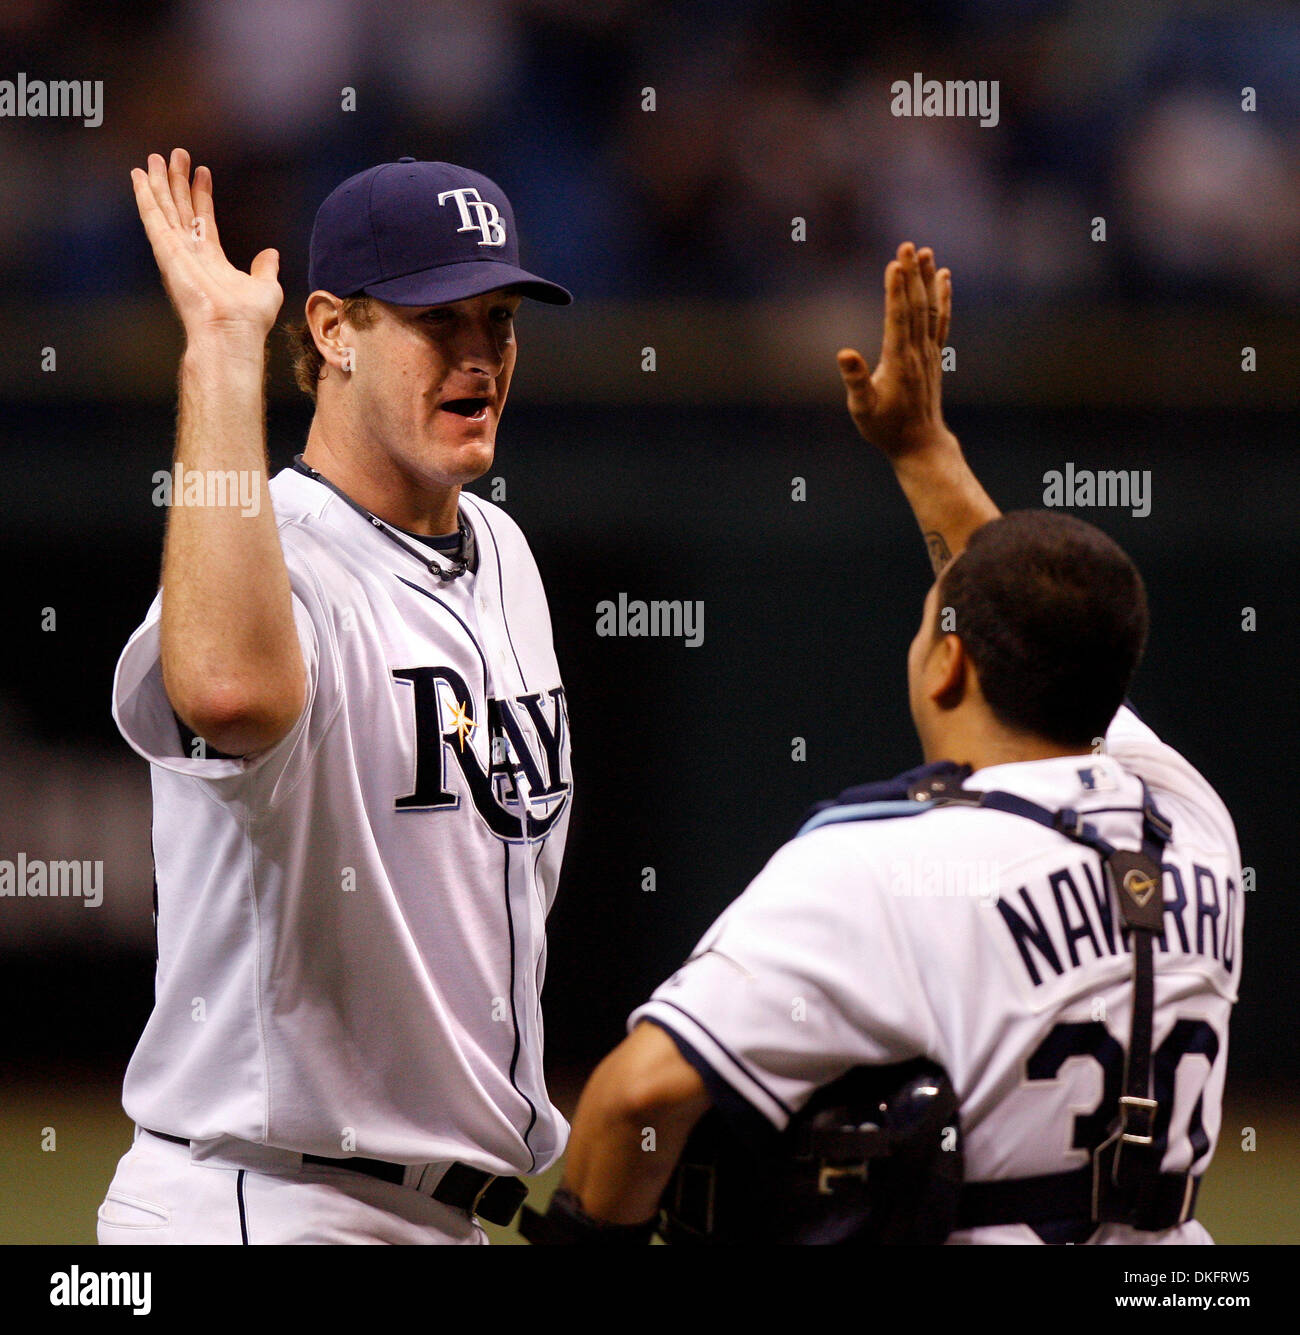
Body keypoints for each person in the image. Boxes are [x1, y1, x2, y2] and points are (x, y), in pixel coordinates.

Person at [529, 243, 1243, 1245]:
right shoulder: (1192, 826)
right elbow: (1034, 615)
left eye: (926, 623)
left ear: (948, 665)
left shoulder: (877, 865)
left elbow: (632, 1102)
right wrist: (923, 451)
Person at [98, 150, 574, 1245]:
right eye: (438, 321)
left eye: (498, 319)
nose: (480, 355)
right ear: (331, 331)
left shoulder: (503, 549)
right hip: (265, 1200)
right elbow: (226, 691)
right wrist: (220, 353)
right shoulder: (272, 554)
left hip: (441, 1216)